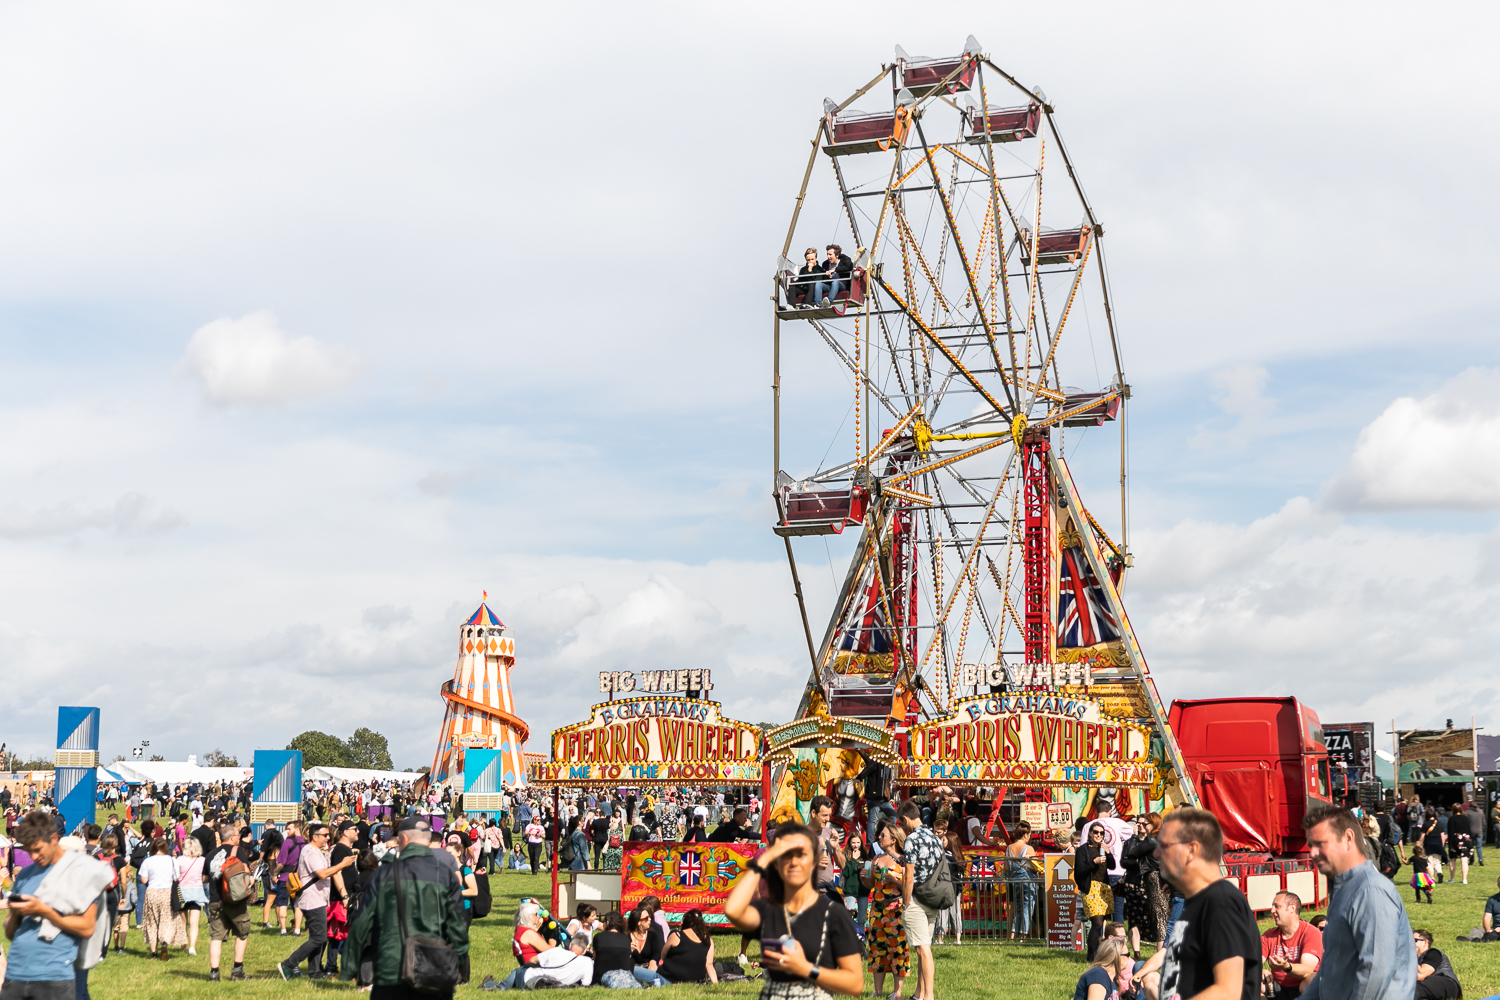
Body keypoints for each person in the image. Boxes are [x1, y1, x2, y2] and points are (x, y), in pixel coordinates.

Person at [724, 821, 866, 996]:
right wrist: (764, 859)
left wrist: (805, 968)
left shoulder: (833, 913)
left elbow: (855, 983)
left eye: (801, 855)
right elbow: (733, 910)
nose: (793, 862)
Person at [341, 814, 469, 998]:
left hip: (391, 969)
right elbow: (458, 925)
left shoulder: (384, 873)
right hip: (433, 967)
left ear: (404, 839)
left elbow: (362, 922)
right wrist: (458, 959)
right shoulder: (445, 874)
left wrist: (349, 965)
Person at [1298, 806, 1416, 1000]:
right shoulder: (1345, 888)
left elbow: (1374, 974)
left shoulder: (1370, 891)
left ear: (1348, 838)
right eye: (1310, 845)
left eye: (1320, 844)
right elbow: (1331, 971)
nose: (1312, 853)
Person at [1151, 807, 1260, 1000]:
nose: (1156, 853)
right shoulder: (1197, 905)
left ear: (1191, 850)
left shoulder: (1221, 901)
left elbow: (1228, 992)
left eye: (1164, 845)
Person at [4, 811, 110, 1000]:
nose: (33, 856)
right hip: (15, 974)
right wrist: (16, 912)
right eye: (29, 851)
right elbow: (11, 933)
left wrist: (44, 911)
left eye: (38, 849)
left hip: (53, 978)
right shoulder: (24, 876)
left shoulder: (80, 872)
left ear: (54, 839)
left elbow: (87, 928)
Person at [277, 822, 355, 979]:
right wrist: (342, 864)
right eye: (325, 835)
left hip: (316, 899)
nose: (328, 838)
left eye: (328, 835)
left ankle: (314, 972)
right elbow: (322, 874)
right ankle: (289, 964)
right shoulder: (311, 852)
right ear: (315, 837)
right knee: (319, 937)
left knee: (318, 936)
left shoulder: (314, 851)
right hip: (312, 900)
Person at [896, 799, 942, 1000]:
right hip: (933, 897)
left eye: (901, 822)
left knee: (923, 950)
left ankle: (929, 996)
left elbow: (909, 876)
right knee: (924, 949)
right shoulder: (935, 837)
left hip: (916, 898)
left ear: (906, 819)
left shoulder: (911, 839)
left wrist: (906, 903)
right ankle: (919, 994)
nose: (902, 826)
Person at [864, 820, 910, 1000]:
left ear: (893, 840)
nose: (879, 837)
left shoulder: (904, 860)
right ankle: (877, 990)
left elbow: (909, 887)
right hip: (877, 911)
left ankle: (897, 992)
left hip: (896, 911)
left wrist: (894, 881)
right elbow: (870, 884)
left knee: (897, 950)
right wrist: (864, 877)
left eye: (883, 835)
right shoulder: (875, 858)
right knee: (877, 949)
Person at [205, 824, 257, 982]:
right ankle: (237, 971)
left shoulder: (211, 854)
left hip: (215, 900)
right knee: (242, 933)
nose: (239, 838)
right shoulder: (237, 851)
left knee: (216, 937)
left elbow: (204, 878)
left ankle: (214, 973)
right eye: (237, 836)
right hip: (233, 899)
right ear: (232, 837)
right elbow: (246, 872)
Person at [1260, 891, 1321, 999]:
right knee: (1249, 978)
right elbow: (1251, 962)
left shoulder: (1311, 933)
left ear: (1292, 908)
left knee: (1314, 980)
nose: (1272, 910)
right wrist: (1258, 970)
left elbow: (1306, 970)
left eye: (1277, 906)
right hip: (1275, 987)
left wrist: (1286, 967)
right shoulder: (1269, 935)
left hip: (1302, 989)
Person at [138, 837, 186, 958]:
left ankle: (154, 952)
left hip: (152, 892)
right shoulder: (172, 860)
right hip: (167, 892)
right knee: (166, 920)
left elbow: (144, 880)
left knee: (152, 922)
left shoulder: (148, 861)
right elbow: (176, 878)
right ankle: (164, 943)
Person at [1076, 823, 1115, 960]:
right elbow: (1079, 871)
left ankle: (1097, 953)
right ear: (1090, 833)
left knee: (1101, 923)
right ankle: (1091, 956)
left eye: (1101, 833)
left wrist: (1108, 853)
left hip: (1103, 888)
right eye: (1096, 832)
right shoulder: (1083, 850)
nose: (1098, 835)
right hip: (1090, 888)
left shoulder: (1102, 848)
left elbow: (1112, 866)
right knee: (1097, 923)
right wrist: (1094, 862)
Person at [931, 811, 965, 946]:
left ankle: (940, 939)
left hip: (944, 886)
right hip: (955, 887)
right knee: (956, 913)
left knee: (942, 913)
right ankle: (958, 938)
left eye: (944, 839)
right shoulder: (958, 856)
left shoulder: (945, 854)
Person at [658, 908, 717, 984]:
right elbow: (709, 964)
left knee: (643, 972)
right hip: (695, 980)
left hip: (669, 977)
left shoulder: (677, 936)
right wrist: (715, 983)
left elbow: (663, 956)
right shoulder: (708, 940)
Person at [175, 836, 208, 955]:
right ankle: (192, 947)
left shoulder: (179, 860)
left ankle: (183, 947)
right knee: (194, 923)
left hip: (182, 893)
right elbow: (205, 877)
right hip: (197, 892)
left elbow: (175, 877)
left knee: (183, 922)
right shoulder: (203, 860)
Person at [274, 820, 307, 936]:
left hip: (285, 878)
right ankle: (297, 930)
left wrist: (274, 874)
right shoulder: (306, 843)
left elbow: (281, 863)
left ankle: (283, 930)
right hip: (299, 878)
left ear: (297, 829)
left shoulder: (288, 842)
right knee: (298, 904)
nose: (287, 831)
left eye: (289, 829)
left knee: (283, 903)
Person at [590, 910, 635, 988]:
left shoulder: (598, 937)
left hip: (600, 978)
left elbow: (594, 957)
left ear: (607, 922)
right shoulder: (626, 939)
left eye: (603, 922)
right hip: (623, 979)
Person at [1411, 929, 1460, 999]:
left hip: (1447, 983)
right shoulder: (1417, 959)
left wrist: (1409, 957)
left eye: (1414, 940)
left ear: (1425, 942)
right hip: (1429, 988)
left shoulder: (1433, 953)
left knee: (1412, 990)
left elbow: (1420, 975)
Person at [626, 904, 667, 986]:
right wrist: (628, 951)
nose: (650, 919)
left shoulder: (652, 934)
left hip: (648, 969)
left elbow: (657, 952)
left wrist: (653, 961)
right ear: (638, 922)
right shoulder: (626, 936)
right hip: (632, 970)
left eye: (649, 917)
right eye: (646, 918)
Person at [258, 819, 284, 929]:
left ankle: (266, 922)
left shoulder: (269, 851)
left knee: (269, 900)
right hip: (276, 876)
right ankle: (279, 921)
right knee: (278, 900)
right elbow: (279, 864)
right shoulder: (278, 851)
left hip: (269, 874)